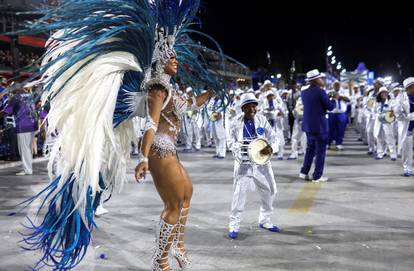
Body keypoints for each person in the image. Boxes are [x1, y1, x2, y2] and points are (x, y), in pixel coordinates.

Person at [14, 2, 229, 270]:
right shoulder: (158, 88)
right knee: (174, 201)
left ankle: (179, 247)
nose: (176, 61)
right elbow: (150, 124)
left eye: (175, 57)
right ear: (162, 60)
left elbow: (191, 105)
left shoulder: (167, 88)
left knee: (186, 194)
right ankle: (160, 261)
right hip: (160, 151)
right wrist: (144, 159)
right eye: (172, 57)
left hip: (171, 150)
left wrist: (213, 92)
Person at [228, 92, 279, 239]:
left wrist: (271, 148)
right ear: (242, 108)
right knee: (239, 195)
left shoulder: (262, 120)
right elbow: (230, 141)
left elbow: (273, 137)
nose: (252, 110)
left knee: (269, 190)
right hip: (244, 164)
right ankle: (234, 225)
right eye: (248, 107)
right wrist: (238, 149)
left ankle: (265, 220)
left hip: (261, 164)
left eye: (254, 106)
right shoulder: (235, 122)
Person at [299, 69, 335, 182]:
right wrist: (333, 99)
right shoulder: (320, 92)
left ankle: (304, 172)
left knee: (310, 150)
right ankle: (317, 176)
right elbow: (330, 107)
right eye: (320, 78)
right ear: (315, 80)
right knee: (320, 152)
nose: (322, 80)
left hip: (308, 126)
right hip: (320, 127)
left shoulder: (304, 92)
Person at [1, 85, 38, 175]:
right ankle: (29, 169)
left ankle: (27, 170)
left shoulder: (16, 98)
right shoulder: (29, 96)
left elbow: (7, 112)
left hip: (23, 126)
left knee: (24, 149)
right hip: (32, 125)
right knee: (28, 148)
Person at [394, 77, 414, 176]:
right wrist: (407, 117)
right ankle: (407, 168)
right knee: (407, 148)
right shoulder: (401, 97)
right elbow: (397, 112)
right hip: (407, 126)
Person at [373, 87, 397, 160]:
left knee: (389, 138)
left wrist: (389, 115)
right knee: (379, 138)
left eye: (385, 92)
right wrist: (378, 115)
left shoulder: (391, 102)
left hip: (387, 123)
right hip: (379, 122)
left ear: (387, 93)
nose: (384, 94)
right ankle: (380, 153)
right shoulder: (377, 102)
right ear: (379, 94)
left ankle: (393, 154)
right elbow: (374, 111)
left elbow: (394, 112)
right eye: (382, 93)